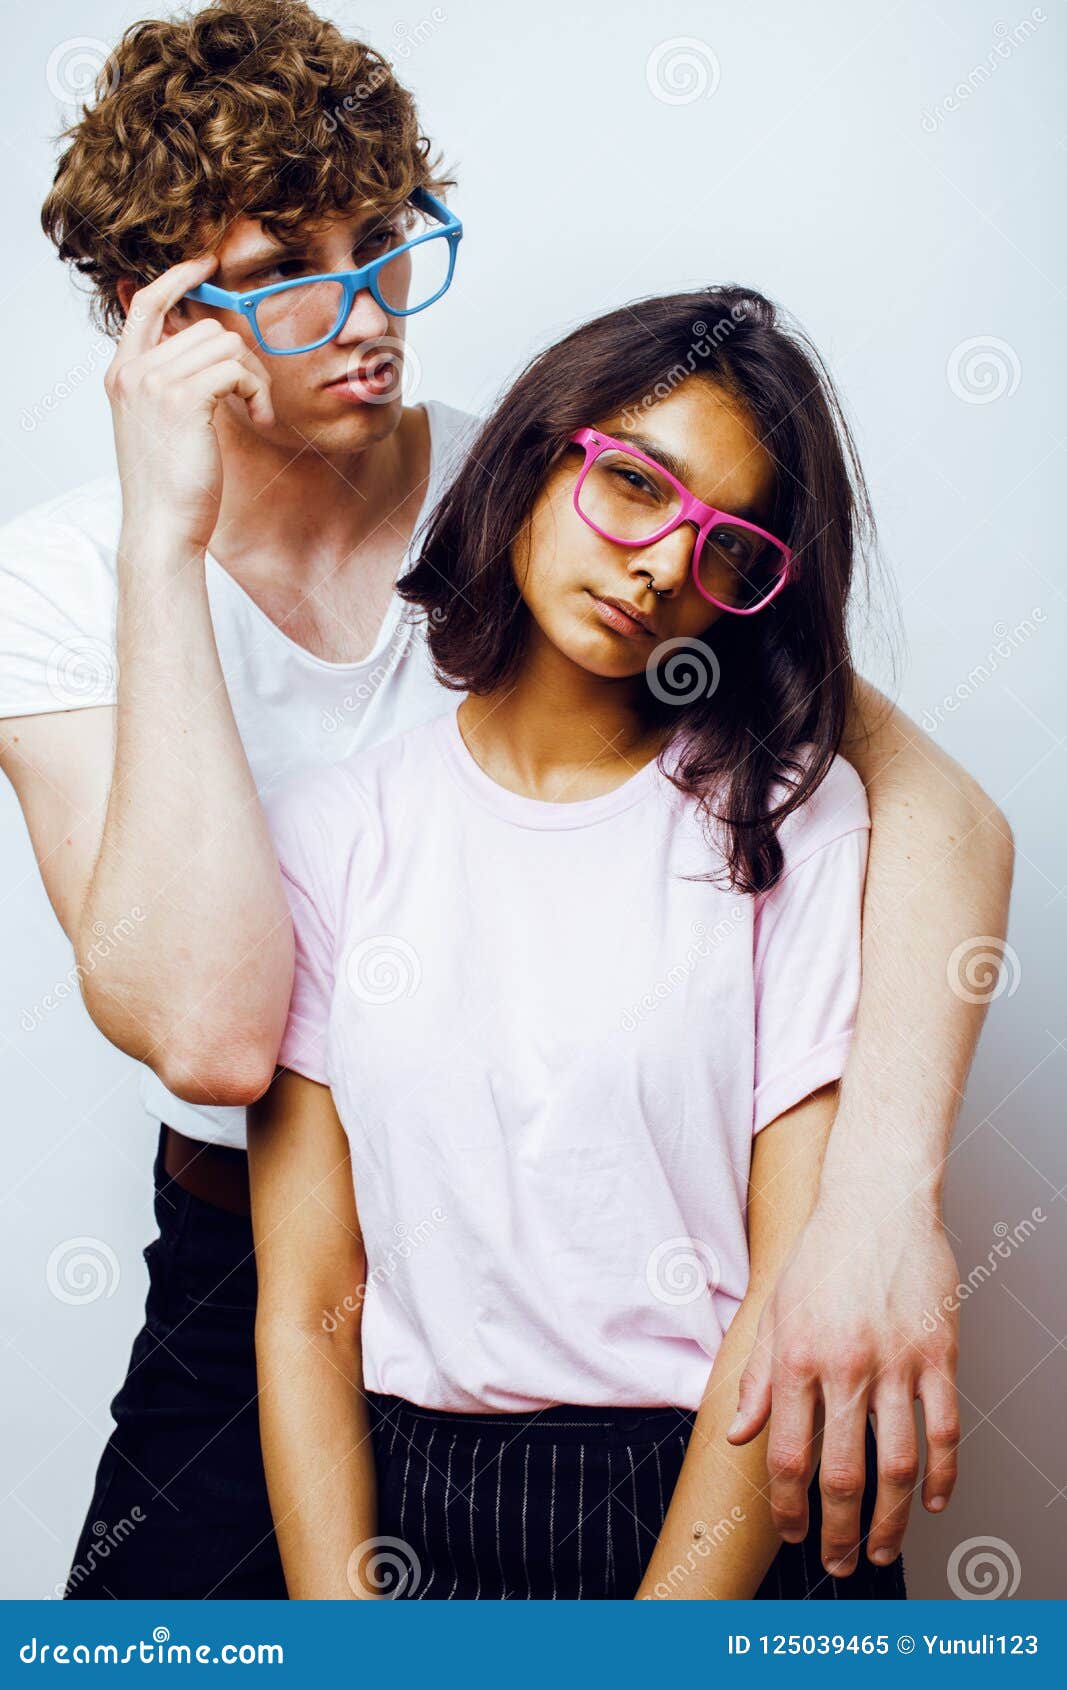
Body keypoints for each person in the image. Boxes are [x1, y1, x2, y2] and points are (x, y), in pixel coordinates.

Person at [0, 0, 1011, 1600]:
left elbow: (934, 814)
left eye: (385, 240)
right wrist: (160, 541)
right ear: (157, 312)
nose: (371, 309)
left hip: (614, 1279)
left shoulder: (570, 509)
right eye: (286, 270)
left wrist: (879, 1203)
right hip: (257, 1259)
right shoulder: (64, 578)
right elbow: (210, 1034)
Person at [250, 286, 913, 1599]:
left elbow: (790, 1280)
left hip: (728, 1510)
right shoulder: (330, 832)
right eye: (637, 487)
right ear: (539, 455)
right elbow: (312, 1300)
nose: (668, 562)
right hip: (423, 1515)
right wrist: (341, 1631)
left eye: (729, 548)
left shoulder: (797, 818)